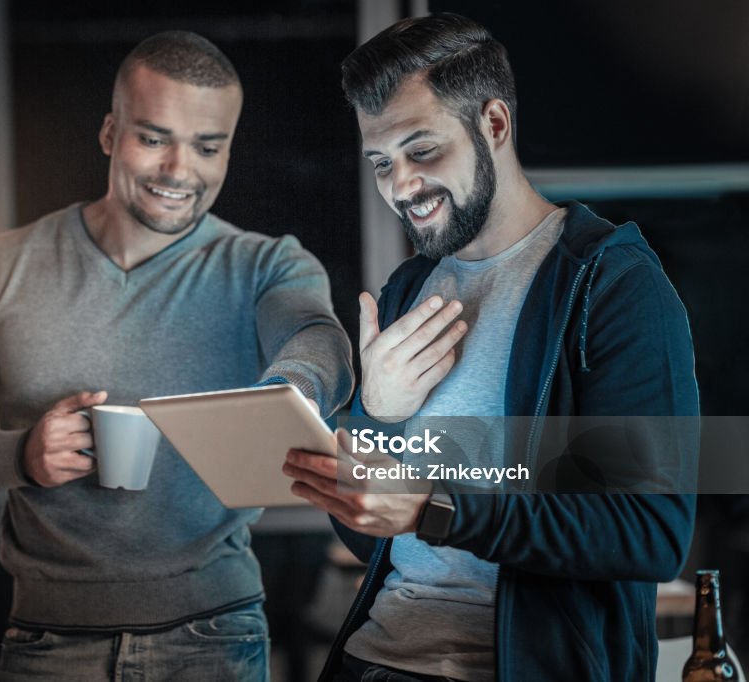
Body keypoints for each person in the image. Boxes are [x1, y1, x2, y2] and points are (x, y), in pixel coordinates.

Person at [0, 30, 354, 682]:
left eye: (207, 146)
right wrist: (17, 455)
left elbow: (318, 338)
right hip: (45, 643)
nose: (179, 169)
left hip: (213, 636)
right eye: (154, 138)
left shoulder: (266, 265)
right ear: (110, 133)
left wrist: (289, 391)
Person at [282, 13, 698, 682]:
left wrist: (433, 507)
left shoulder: (611, 286)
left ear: (495, 125)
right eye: (381, 163)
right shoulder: (407, 290)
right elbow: (370, 539)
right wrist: (375, 418)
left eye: (422, 151)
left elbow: (650, 532)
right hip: (369, 661)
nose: (400, 187)